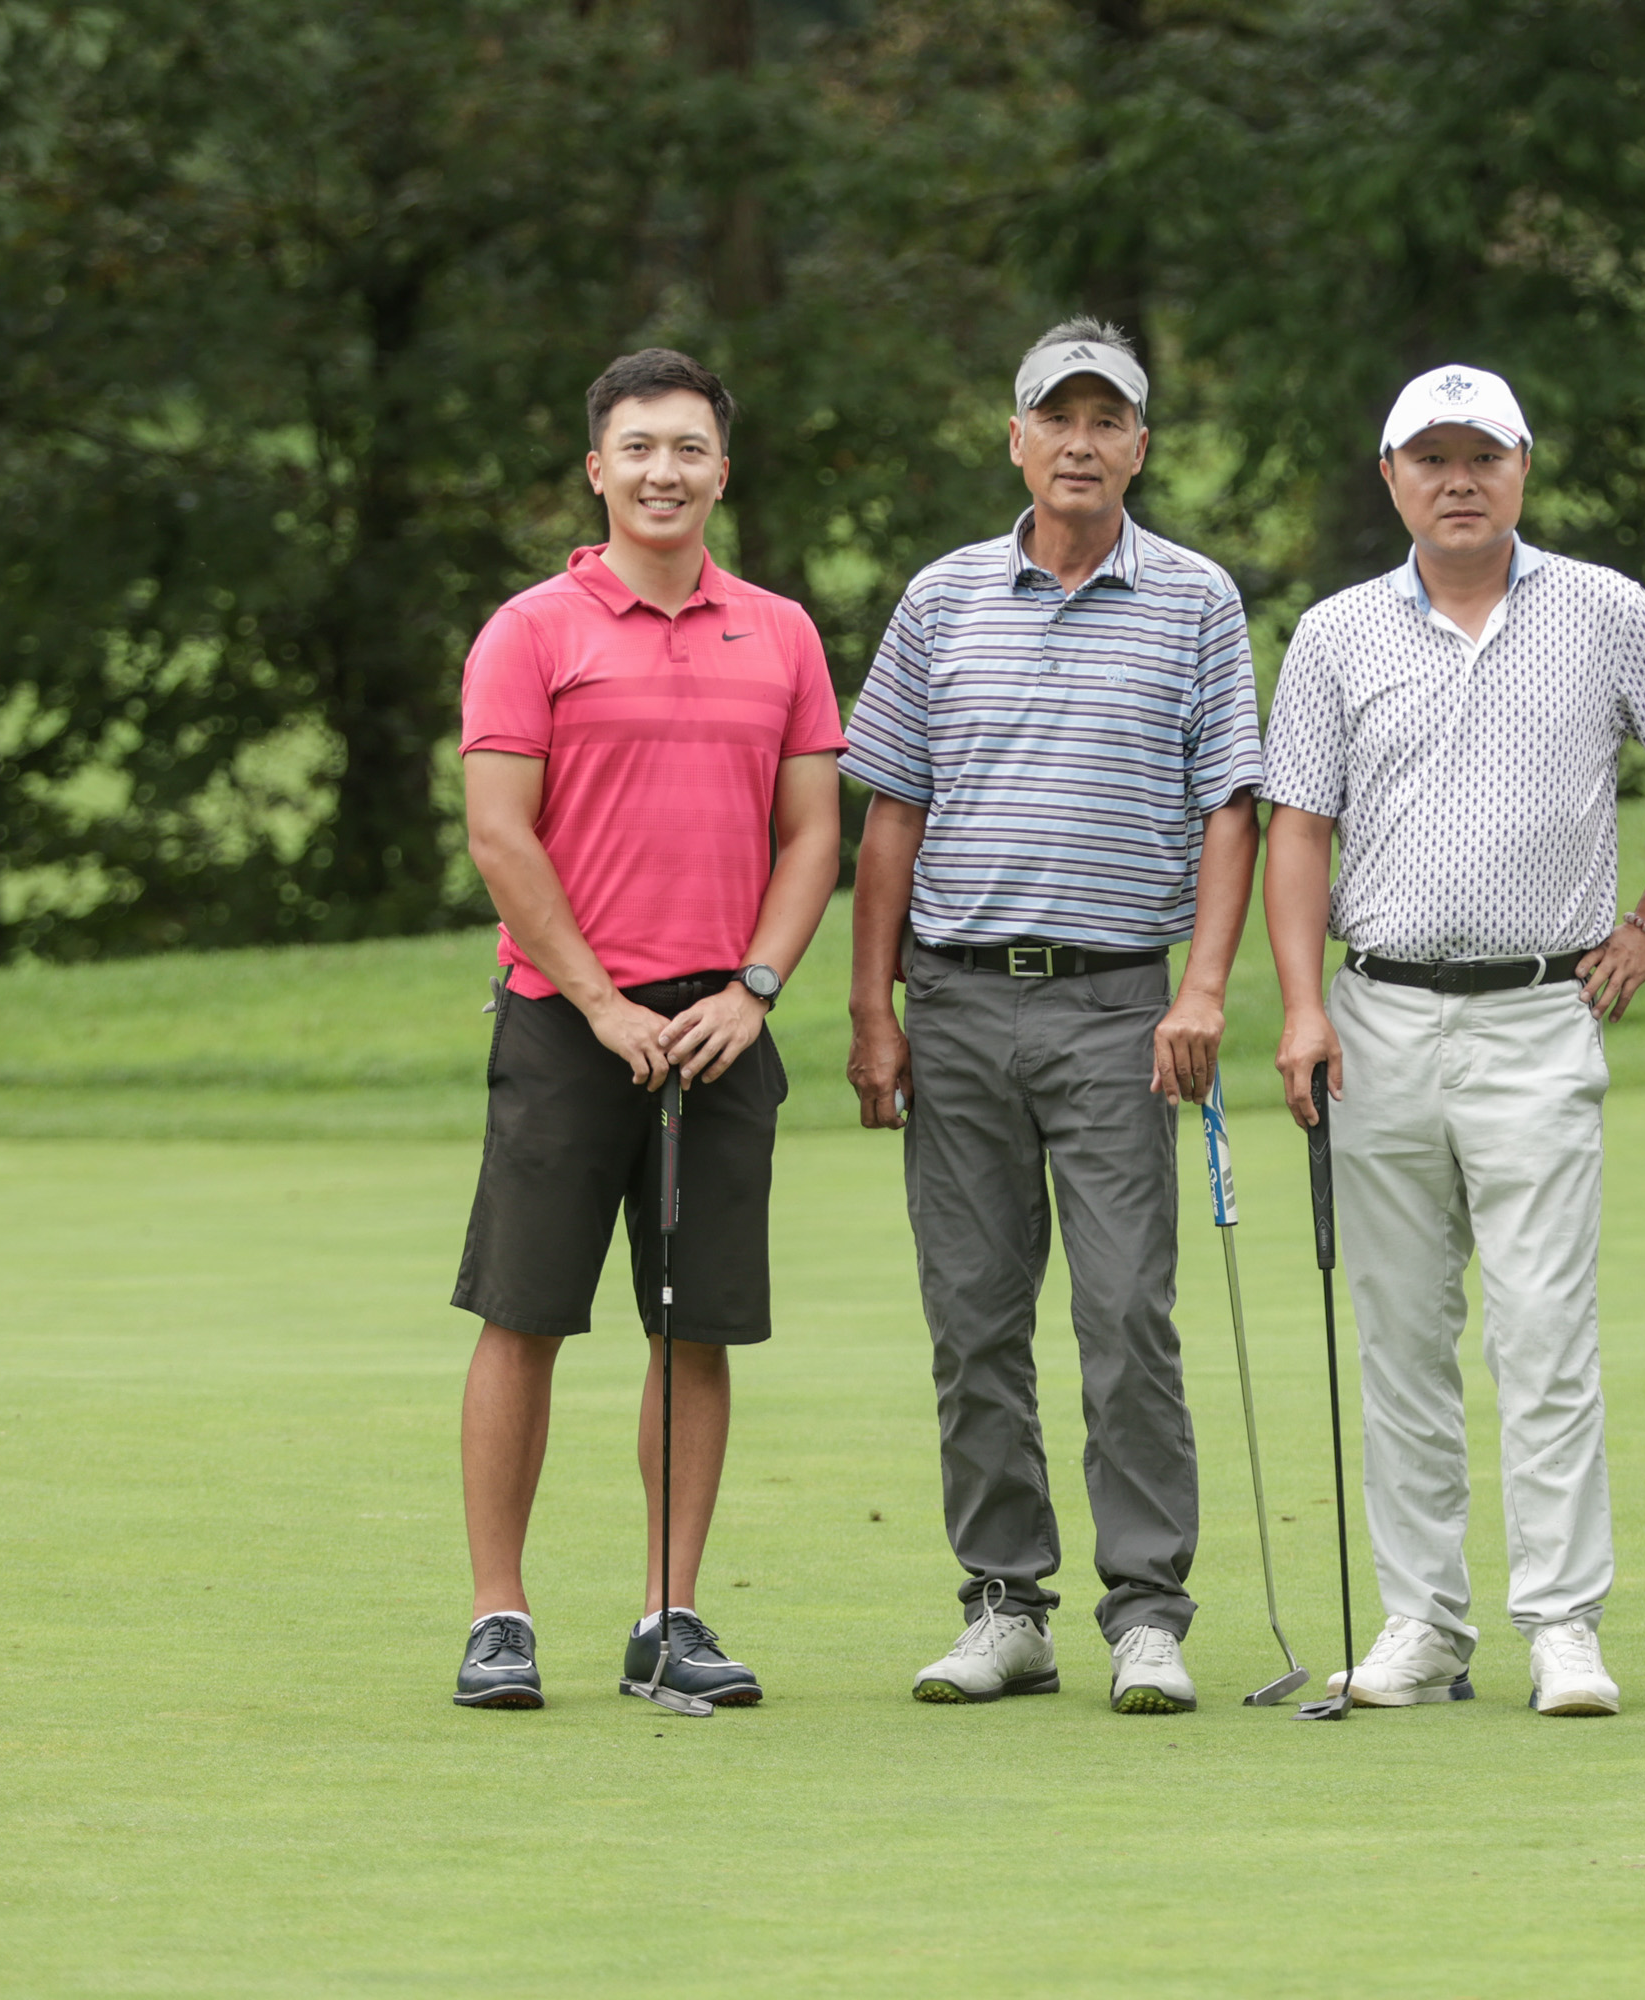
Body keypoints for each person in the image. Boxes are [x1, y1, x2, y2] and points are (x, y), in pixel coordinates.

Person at [1261, 364, 1645, 1718]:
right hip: (1378, 1017)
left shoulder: (1603, 609)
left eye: (1484, 455)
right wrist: (1301, 1005)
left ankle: (1563, 1624)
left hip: (1540, 1012)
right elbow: (1299, 827)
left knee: (1544, 1333)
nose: (1458, 480)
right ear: (1391, 477)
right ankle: (1423, 1623)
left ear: (1523, 468)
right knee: (1402, 1339)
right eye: (1432, 458)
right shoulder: (1338, 632)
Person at [844, 318, 1264, 1716]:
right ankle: (1004, 1605)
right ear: (1016, 438)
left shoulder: (1196, 600)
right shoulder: (940, 598)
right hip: (957, 1000)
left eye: (1108, 420)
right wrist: (873, 1009)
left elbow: (1229, 807)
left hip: (1119, 1006)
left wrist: (1204, 987)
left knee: (1126, 1314)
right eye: (1057, 418)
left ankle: (1145, 1611)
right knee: (973, 1321)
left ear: (1141, 445)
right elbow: (892, 811)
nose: (1081, 443)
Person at [445, 348, 844, 1711]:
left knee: (695, 1329)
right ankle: (499, 1617)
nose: (662, 471)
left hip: (721, 1027)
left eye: (687, 448)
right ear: (597, 470)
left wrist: (757, 990)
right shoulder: (530, 632)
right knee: (522, 1318)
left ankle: (669, 1617)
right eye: (638, 448)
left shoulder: (780, 633)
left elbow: (812, 834)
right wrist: (602, 1001)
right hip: (568, 1025)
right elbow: (501, 838)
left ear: (722, 471)